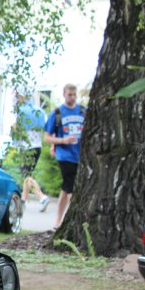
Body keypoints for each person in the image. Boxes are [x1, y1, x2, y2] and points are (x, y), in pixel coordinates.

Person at [44, 83, 86, 230]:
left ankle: (58, 220)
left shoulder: (82, 111)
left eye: (74, 94)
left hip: (80, 155)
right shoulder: (57, 113)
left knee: (65, 188)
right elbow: (47, 137)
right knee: (71, 186)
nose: (72, 97)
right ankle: (77, 220)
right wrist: (62, 141)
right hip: (64, 155)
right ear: (64, 94)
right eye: (69, 94)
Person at [11, 90, 50, 212]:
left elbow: (17, 130)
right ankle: (22, 201)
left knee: (26, 175)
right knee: (28, 173)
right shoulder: (39, 111)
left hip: (26, 146)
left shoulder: (21, 111)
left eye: (17, 97)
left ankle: (42, 197)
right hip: (37, 145)